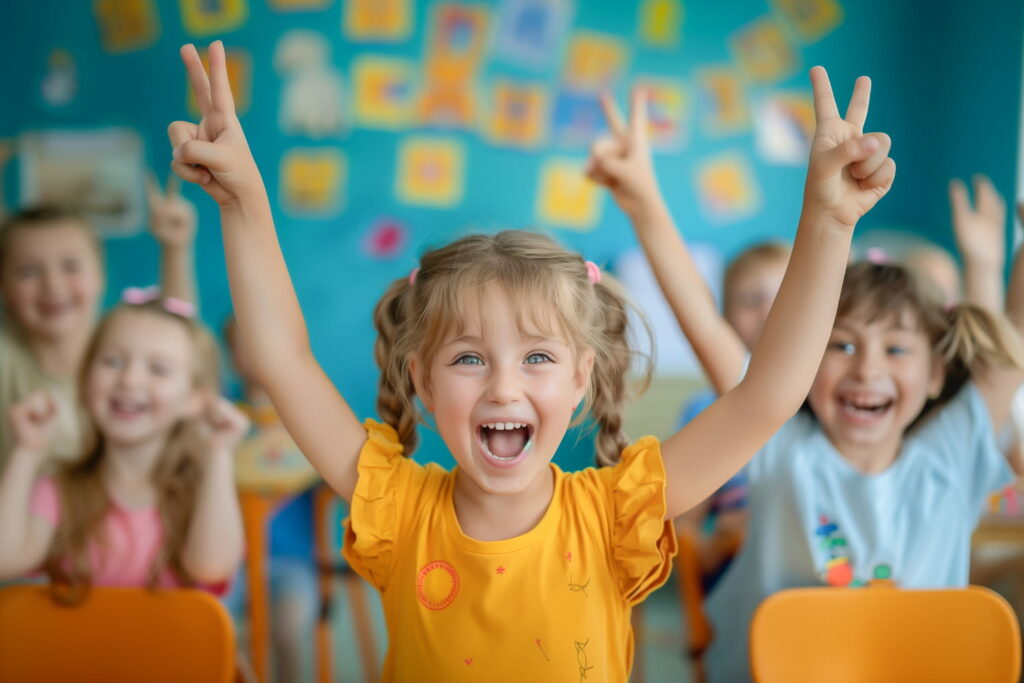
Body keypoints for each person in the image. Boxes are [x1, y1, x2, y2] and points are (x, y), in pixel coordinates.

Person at [168, 41, 890, 680]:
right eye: (470, 358)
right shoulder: (396, 510)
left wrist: (827, 221)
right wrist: (244, 201)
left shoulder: (614, 517)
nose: (503, 386)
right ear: (419, 378)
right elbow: (284, 359)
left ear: (580, 380)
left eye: (538, 356)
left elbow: (767, 394)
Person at [595, 81, 1024, 683]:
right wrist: (643, 202)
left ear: (933, 375)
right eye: (840, 345)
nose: (866, 368)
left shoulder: (950, 457)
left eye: (896, 348)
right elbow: (703, 322)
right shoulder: (780, 445)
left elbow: (1012, 348)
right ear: (804, 363)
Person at [0, 296, 247, 603]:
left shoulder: (200, 492)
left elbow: (212, 568)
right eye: (112, 361)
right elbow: (5, 560)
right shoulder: (58, 490)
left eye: (158, 369)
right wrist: (27, 450)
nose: (129, 380)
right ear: (85, 379)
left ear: (195, 399)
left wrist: (219, 453)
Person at [0, 175, 199, 467]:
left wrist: (175, 250)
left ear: (100, 275)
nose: (53, 287)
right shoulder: (8, 360)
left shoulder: (124, 351)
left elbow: (174, 331)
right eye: (29, 271)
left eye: (70, 266)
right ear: (4, 286)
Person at [674, 242, 789, 590]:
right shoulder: (703, 409)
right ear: (725, 319)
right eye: (750, 299)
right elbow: (683, 523)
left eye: (784, 294)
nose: (768, 310)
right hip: (733, 575)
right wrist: (707, 550)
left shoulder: (828, 400)